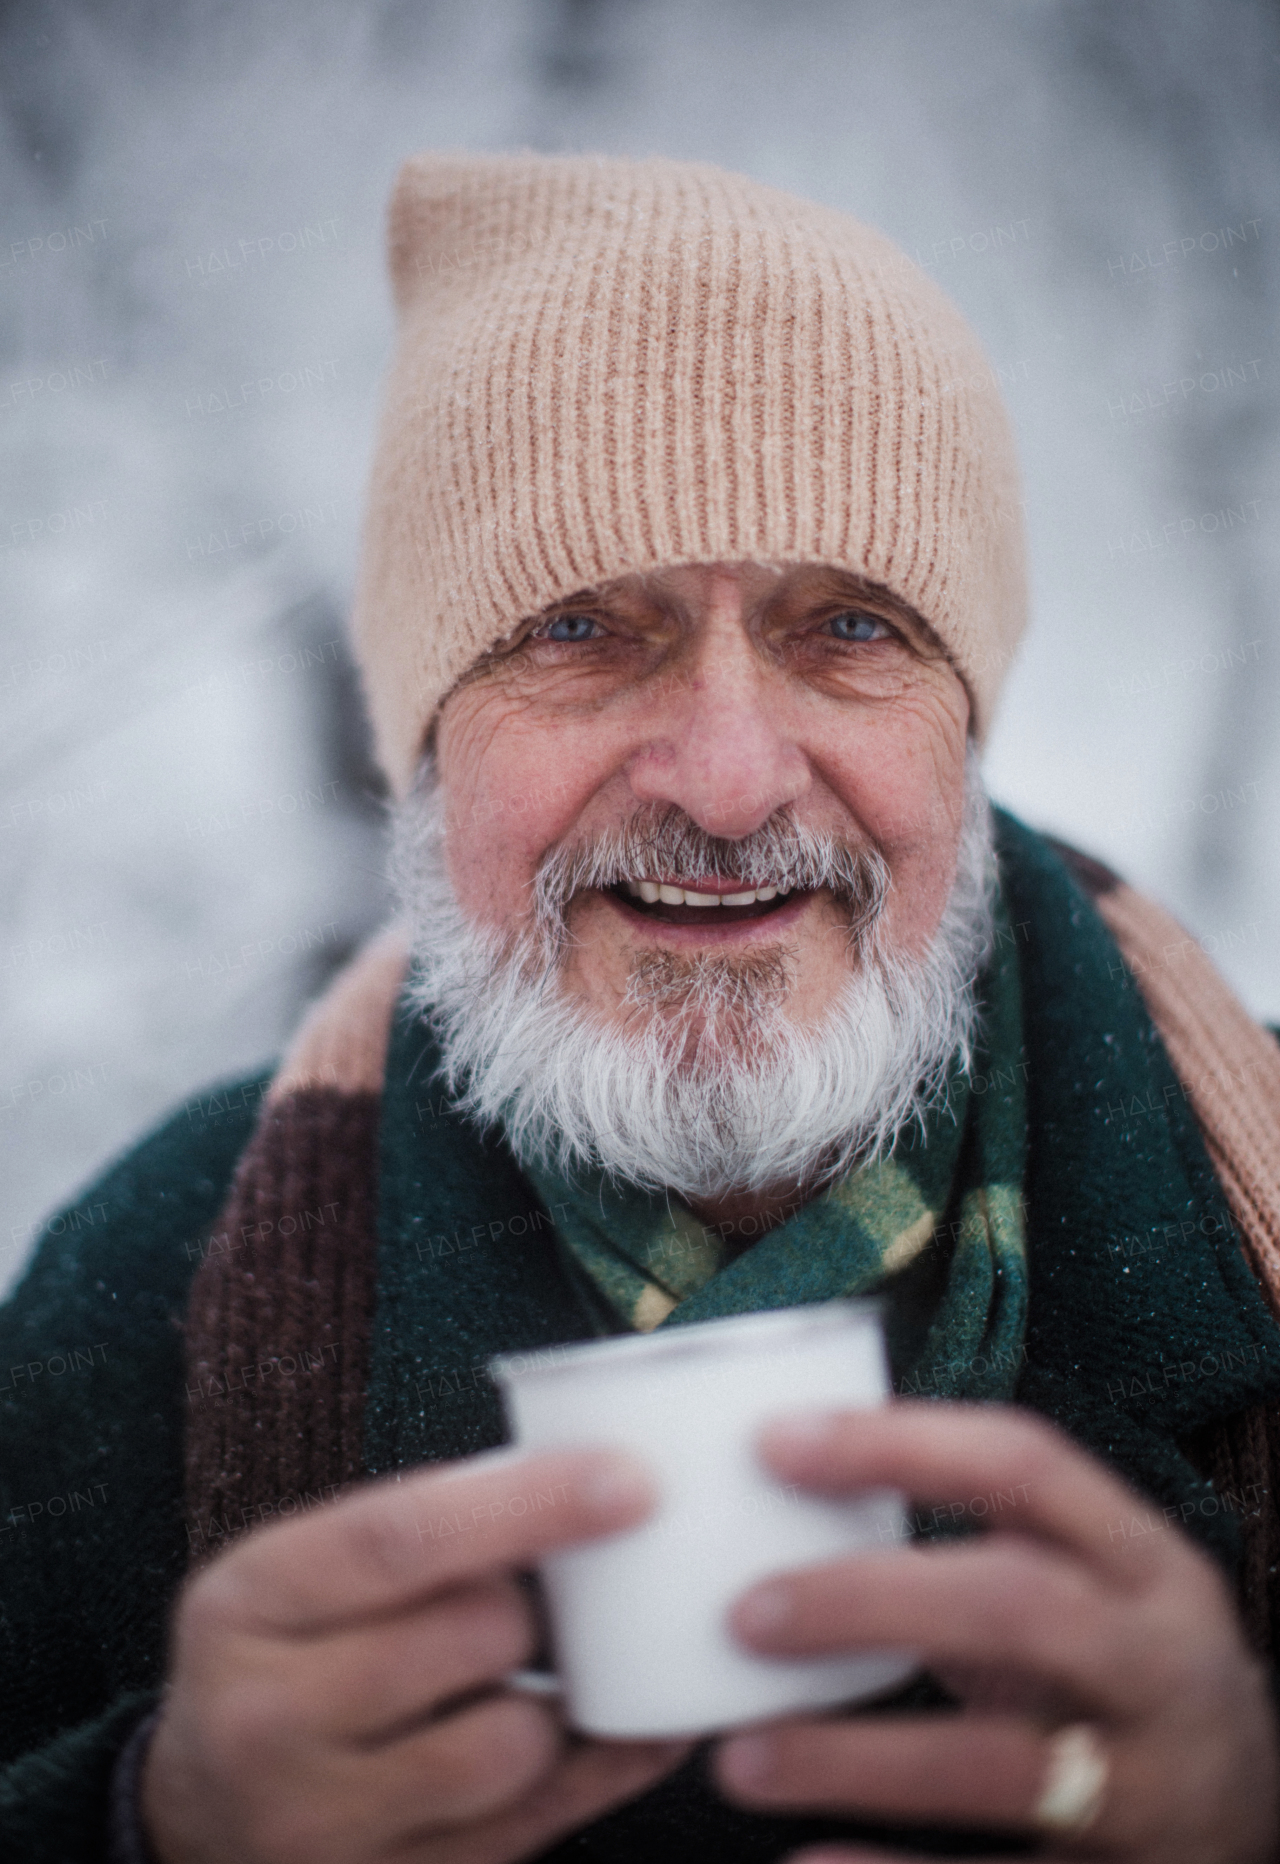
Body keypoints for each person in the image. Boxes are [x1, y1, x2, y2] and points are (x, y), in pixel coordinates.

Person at [3, 151, 1280, 1864]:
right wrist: (148, 1825)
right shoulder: (150, 1282)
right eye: (583, 627)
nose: (736, 783)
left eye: (849, 624)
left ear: (963, 732)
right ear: (428, 748)